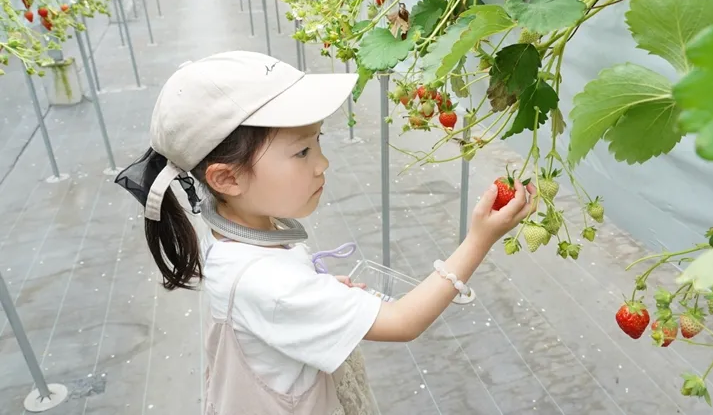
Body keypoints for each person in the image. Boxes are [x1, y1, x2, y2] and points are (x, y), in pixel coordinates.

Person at [115, 51, 536, 415]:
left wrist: (315, 288)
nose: (322, 164)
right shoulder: (271, 285)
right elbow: (404, 322)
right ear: (226, 179)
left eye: (318, 142)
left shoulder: (235, 230)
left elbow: (271, 302)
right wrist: (480, 238)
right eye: (302, 151)